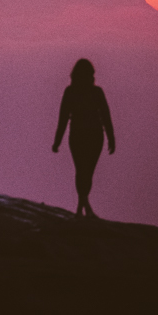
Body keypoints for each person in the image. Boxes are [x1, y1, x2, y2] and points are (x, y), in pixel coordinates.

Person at [52, 58, 115, 218]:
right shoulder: (88, 92)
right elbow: (64, 117)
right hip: (89, 136)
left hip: (84, 136)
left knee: (84, 172)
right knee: (84, 172)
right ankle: (85, 208)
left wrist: (111, 138)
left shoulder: (76, 92)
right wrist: (57, 141)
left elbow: (64, 118)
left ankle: (82, 208)